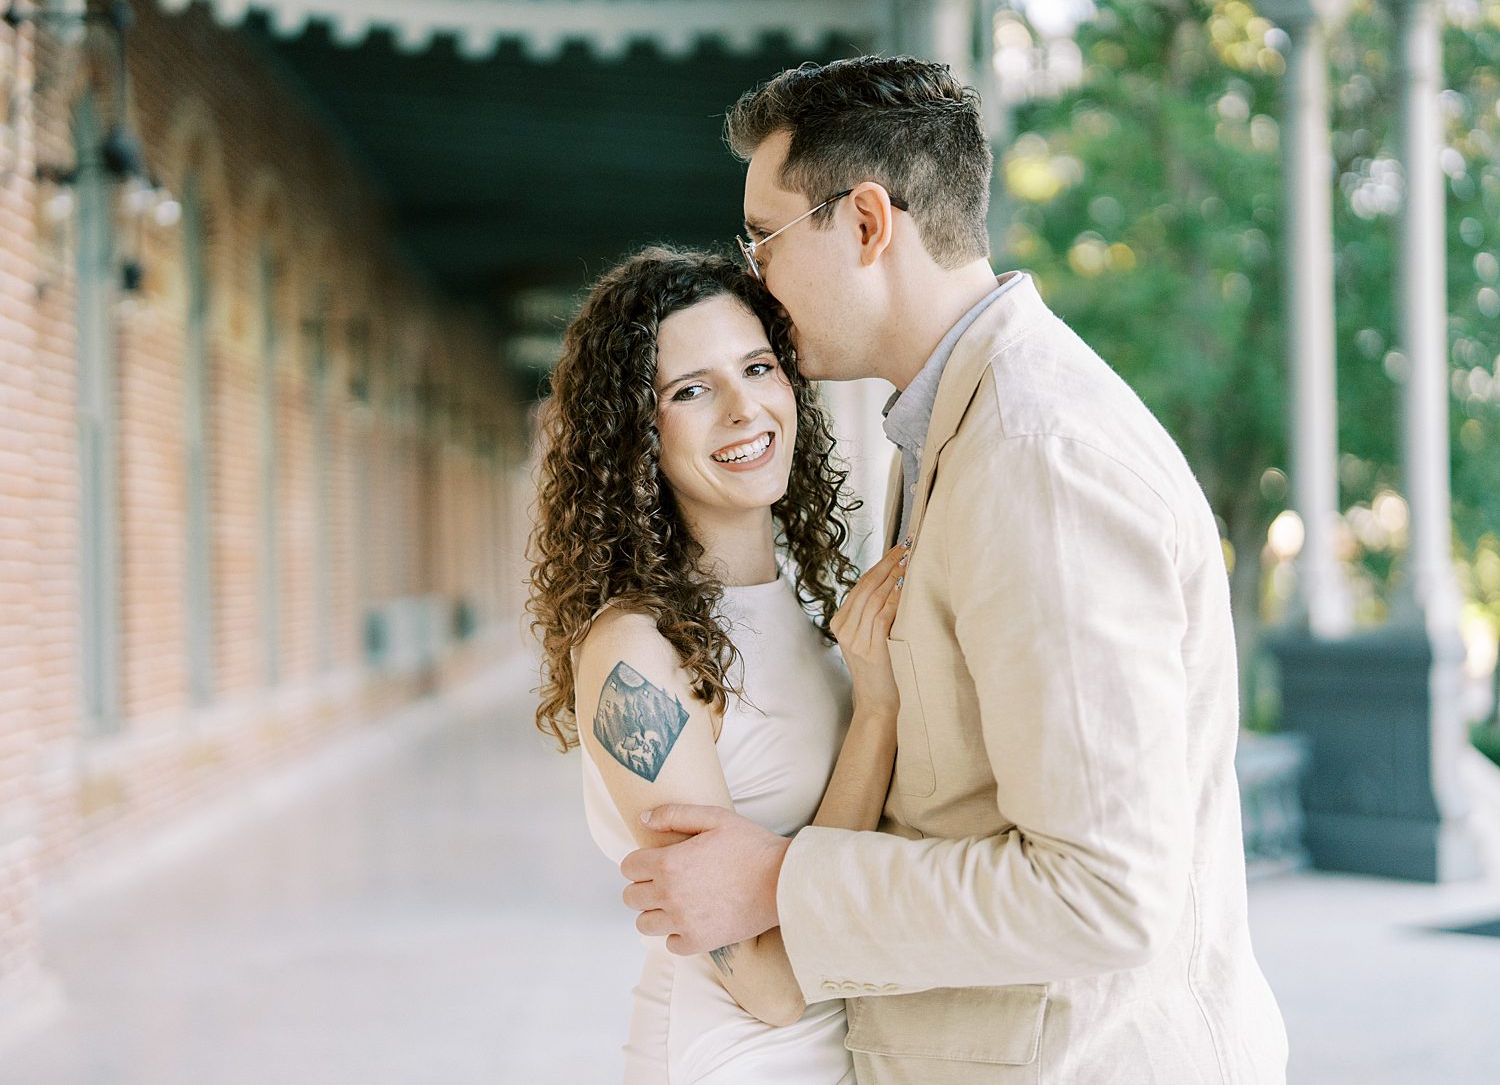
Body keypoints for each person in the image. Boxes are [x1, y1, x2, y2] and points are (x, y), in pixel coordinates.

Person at [619, 56, 1290, 1084]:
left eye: (763, 238)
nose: (752, 278)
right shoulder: (951, 428)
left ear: (868, 224)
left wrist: (783, 879)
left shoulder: (1037, 457)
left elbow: (1102, 894)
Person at [528, 247, 910, 1083]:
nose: (745, 409)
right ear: (636, 430)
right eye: (691, 390)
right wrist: (877, 716)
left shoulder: (814, 604)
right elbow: (769, 985)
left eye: (759, 367)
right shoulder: (637, 653)